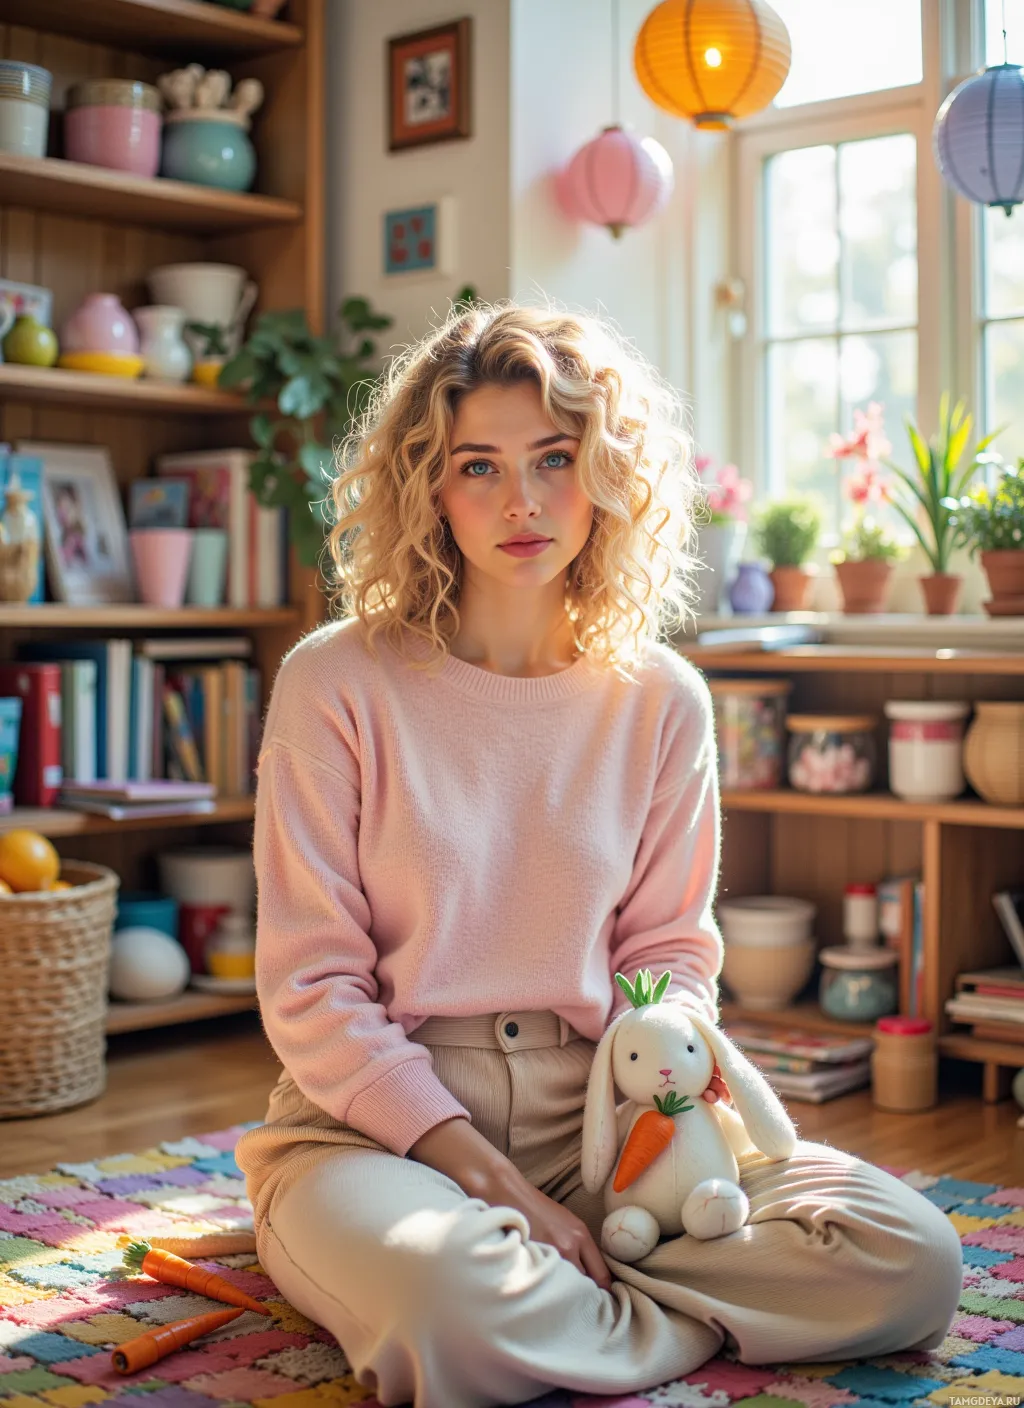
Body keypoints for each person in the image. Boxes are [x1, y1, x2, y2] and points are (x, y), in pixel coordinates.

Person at [234, 301, 963, 1408]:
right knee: (447, 1303)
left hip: (614, 1132)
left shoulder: (662, 699)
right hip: (377, 1138)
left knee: (909, 1257)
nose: (521, 502)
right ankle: (642, 1304)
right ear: (427, 484)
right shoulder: (335, 683)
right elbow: (311, 985)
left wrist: (652, 1153)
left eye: (555, 458)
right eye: (477, 465)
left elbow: (669, 953)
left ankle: (581, 1304)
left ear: (607, 472)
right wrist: (488, 1181)